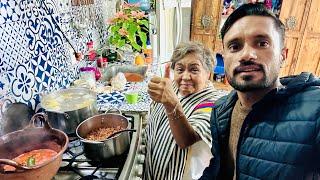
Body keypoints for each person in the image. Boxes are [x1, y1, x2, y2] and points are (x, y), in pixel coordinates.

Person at [200, 3, 320, 180]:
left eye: (262, 43)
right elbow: (220, 169)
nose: (247, 55)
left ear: (283, 55)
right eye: (235, 46)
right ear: (224, 58)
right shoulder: (221, 110)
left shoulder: (315, 109)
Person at [143, 42, 226, 180]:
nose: (185, 77)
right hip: (152, 170)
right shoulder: (174, 88)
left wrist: (171, 103)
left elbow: (186, 139)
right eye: (180, 70)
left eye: (194, 70)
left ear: (208, 72)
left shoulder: (214, 103)